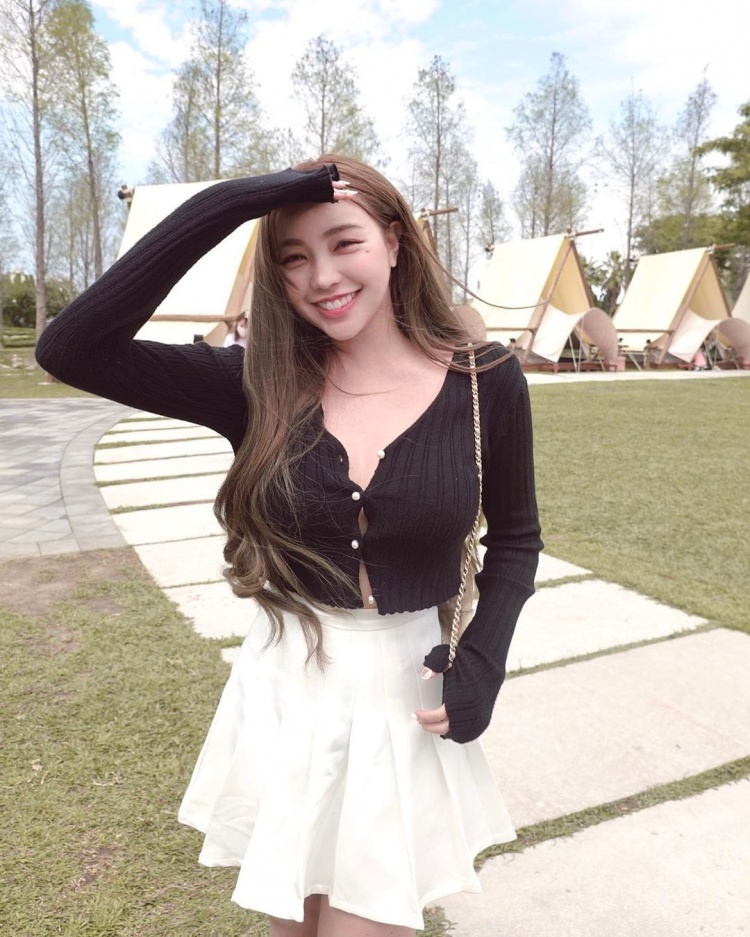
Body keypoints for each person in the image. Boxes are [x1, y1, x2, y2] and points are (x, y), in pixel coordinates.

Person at [35, 155, 543, 937]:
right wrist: (237, 202)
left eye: (345, 243)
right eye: (293, 257)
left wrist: (484, 660)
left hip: (402, 699)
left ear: (395, 242)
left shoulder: (486, 379)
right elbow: (70, 348)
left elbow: (516, 539)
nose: (322, 277)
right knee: (294, 928)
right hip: (287, 687)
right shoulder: (256, 382)